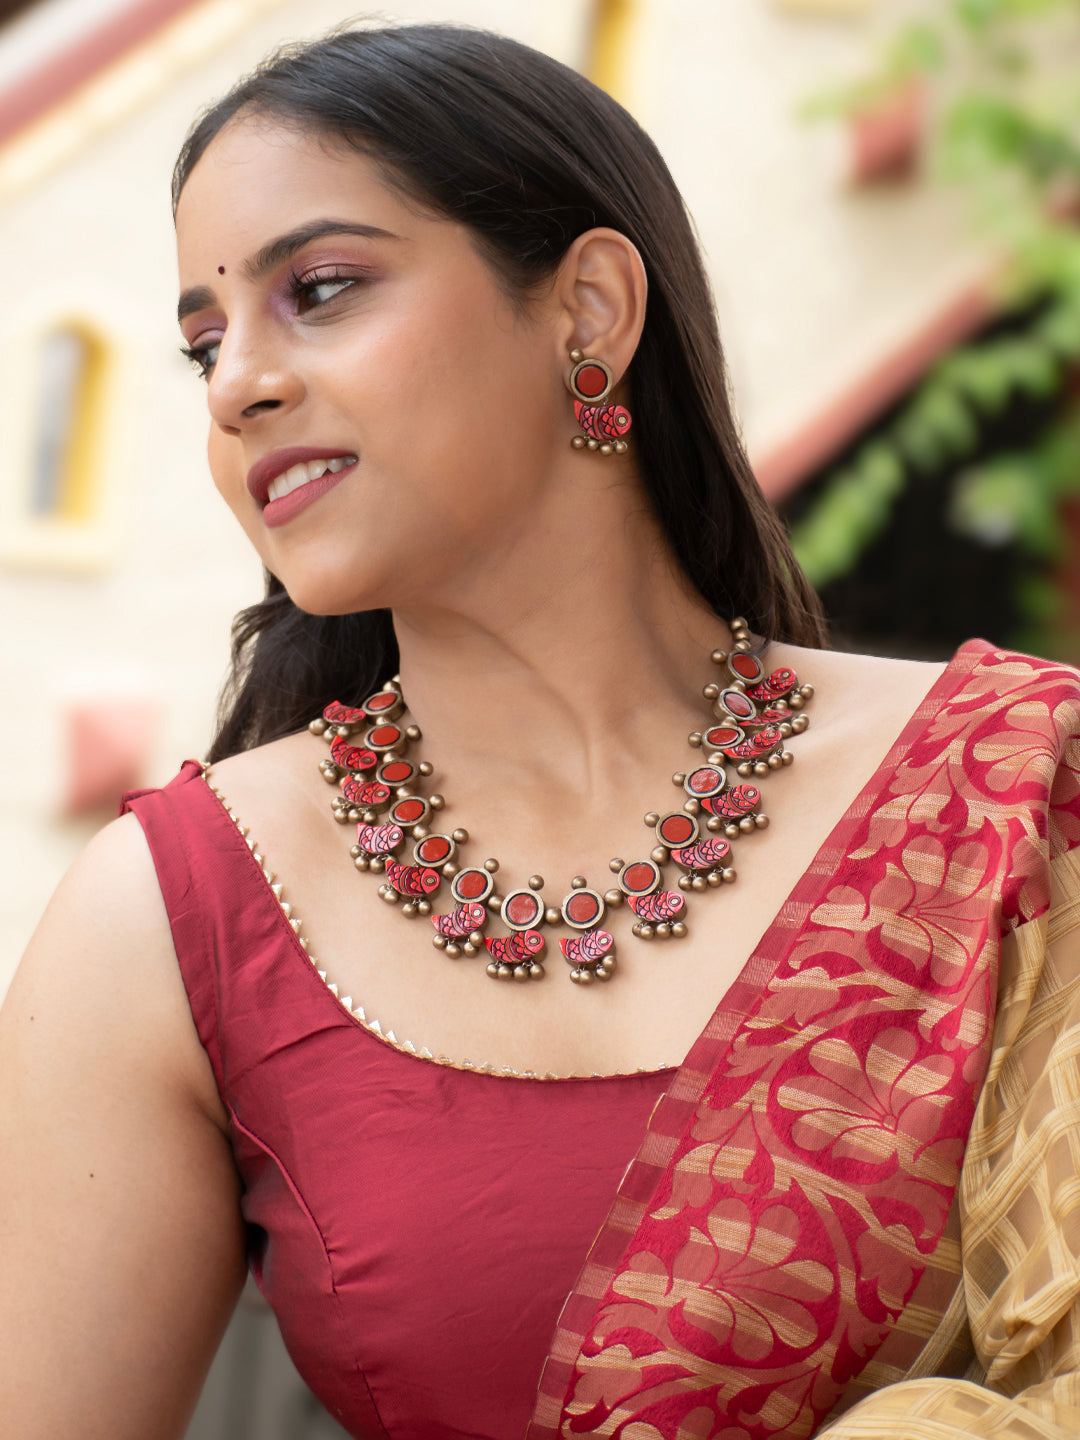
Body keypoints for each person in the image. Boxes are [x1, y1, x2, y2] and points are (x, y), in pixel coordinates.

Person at [2, 20, 1080, 1440]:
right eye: (204, 343)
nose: (237, 385)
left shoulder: (1004, 788)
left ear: (587, 308)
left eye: (319, 291)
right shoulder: (170, 919)